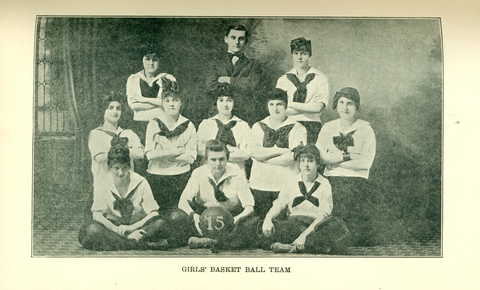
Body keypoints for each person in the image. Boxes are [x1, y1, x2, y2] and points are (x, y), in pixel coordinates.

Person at [79, 139, 190, 251]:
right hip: (114, 228)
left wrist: (131, 228)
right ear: (109, 167)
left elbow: (153, 213)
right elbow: (97, 215)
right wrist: (122, 232)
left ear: (129, 166)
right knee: (92, 230)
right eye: (116, 168)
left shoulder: (140, 181)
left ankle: (123, 244)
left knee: (160, 224)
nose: (121, 173)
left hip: (139, 226)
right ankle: (135, 243)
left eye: (124, 168)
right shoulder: (102, 182)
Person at [315, 87, 377, 246]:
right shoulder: (328, 127)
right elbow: (320, 157)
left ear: (356, 106)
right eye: (341, 103)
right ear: (336, 105)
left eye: (350, 103)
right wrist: (347, 156)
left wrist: (333, 159)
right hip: (331, 176)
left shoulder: (365, 130)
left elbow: (365, 163)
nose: (345, 107)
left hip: (356, 179)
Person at [260, 144, 349, 254]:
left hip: (314, 227)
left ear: (317, 163)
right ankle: (298, 246)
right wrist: (268, 219)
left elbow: (323, 214)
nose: (306, 165)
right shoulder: (291, 181)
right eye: (302, 161)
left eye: (310, 161)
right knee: (263, 226)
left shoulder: (325, 184)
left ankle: (288, 247)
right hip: (293, 225)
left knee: (336, 227)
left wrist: (304, 235)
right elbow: (279, 203)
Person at [178, 140, 259, 250]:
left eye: (221, 159)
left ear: (227, 158)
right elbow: (182, 201)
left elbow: (249, 206)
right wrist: (194, 216)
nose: (218, 164)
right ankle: (222, 242)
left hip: (230, 217)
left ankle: (206, 241)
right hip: (203, 216)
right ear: (207, 160)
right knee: (177, 218)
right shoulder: (199, 173)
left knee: (254, 223)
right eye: (213, 159)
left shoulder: (237, 172)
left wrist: (236, 219)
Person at [247, 88, 307, 218]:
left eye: (279, 104)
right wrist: (280, 150)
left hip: (285, 183)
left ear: (285, 105)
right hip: (260, 182)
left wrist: (264, 157)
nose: (275, 108)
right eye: (271, 104)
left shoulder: (298, 128)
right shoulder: (257, 126)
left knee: (282, 224)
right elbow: (253, 153)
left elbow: (293, 157)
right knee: (259, 221)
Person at [144, 84, 197, 211]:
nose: (171, 104)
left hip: (181, 177)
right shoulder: (154, 124)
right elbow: (150, 155)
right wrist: (179, 151)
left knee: (179, 214)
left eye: (175, 100)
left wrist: (162, 154)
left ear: (181, 103)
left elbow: (190, 157)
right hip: (157, 176)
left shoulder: (189, 125)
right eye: (167, 101)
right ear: (162, 103)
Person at [206, 24, 263, 125]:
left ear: (246, 42)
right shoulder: (215, 63)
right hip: (218, 114)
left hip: (244, 114)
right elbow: (210, 86)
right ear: (226, 39)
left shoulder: (254, 64)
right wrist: (241, 83)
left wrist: (228, 80)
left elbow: (252, 85)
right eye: (233, 38)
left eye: (241, 39)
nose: (236, 42)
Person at [276, 37, 329, 144]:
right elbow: (280, 109)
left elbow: (318, 107)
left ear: (309, 55)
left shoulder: (320, 78)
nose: (299, 57)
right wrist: (308, 106)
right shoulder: (283, 80)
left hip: (312, 126)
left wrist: (289, 103)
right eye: (296, 53)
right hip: (288, 125)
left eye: (303, 53)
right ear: (292, 55)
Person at [88, 95, 144, 187]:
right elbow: (99, 157)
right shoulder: (96, 134)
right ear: (103, 110)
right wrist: (128, 151)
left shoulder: (129, 133)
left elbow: (140, 154)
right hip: (104, 184)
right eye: (110, 108)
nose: (115, 112)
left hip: (126, 185)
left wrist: (112, 153)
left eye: (118, 109)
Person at [126, 44, 177, 144]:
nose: (151, 63)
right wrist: (159, 103)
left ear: (160, 61)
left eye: (155, 59)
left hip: (163, 125)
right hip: (139, 125)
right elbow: (134, 105)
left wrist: (143, 99)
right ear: (142, 60)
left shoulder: (168, 79)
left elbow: (169, 104)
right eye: (147, 59)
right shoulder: (134, 79)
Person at [197, 84, 250, 174]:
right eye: (221, 100)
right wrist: (233, 150)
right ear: (216, 102)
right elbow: (199, 149)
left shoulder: (243, 125)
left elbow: (246, 154)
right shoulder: (206, 124)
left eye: (229, 100)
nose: (225, 104)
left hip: (235, 171)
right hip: (209, 171)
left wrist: (213, 151)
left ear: (234, 102)